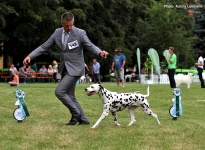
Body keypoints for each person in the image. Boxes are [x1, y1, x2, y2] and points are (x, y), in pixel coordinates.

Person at [23, 12, 108, 126]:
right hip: (65, 68)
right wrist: (30, 56)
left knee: (59, 92)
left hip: (76, 68)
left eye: (71, 25)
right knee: (70, 95)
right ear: (62, 23)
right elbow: (44, 46)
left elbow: (90, 45)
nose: (69, 27)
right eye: (67, 25)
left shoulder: (80, 33)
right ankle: (83, 119)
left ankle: (76, 114)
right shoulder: (57, 33)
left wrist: (100, 52)